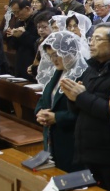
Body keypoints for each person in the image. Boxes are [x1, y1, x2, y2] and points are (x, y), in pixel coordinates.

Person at [62, 23, 110, 189]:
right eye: (91, 38)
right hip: (86, 145)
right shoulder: (92, 68)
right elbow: (79, 106)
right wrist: (72, 98)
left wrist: (81, 96)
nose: (91, 43)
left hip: (108, 151)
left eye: (97, 39)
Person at [35, 31, 89, 171]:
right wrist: (40, 112)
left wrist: (57, 117)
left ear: (69, 51)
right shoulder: (57, 72)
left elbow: (85, 111)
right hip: (52, 136)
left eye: (56, 54)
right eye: (50, 55)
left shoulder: (86, 74)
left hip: (72, 139)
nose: (54, 59)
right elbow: (44, 98)